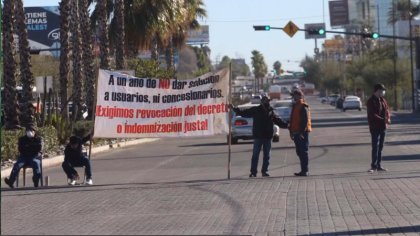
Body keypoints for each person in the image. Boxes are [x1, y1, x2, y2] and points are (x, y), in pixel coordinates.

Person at [230, 96, 288, 177]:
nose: (266, 102)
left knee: (267, 155)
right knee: (255, 155)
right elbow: (244, 112)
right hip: (258, 136)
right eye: (264, 100)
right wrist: (234, 108)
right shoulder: (256, 109)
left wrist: (287, 125)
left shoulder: (271, 111)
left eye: (267, 100)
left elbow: (278, 120)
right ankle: (253, 172)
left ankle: (265, 171)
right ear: (261, 101)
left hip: (267, 136)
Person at [366, 83, 390, 173]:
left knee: (381, 147)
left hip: (383, 127)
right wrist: (383, 119)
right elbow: (372, 114)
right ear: (376, 91)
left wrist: (388, 118)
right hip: (375, 126)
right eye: (381, 90)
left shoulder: (383, 100)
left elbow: (387, 110)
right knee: (375, 146)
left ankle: (379, 165)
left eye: (383, 91)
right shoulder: (370, 101)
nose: (383, 92)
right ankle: (373, 166)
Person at [289, 90, 312, 177]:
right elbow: (292, 120)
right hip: (295, 133)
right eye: (293, 96)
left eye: (295, 95)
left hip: (302, 133)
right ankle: (303, 170)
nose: (293, 97)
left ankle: (305, 171)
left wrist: (302, 132)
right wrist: (291, 131)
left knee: (303, 151)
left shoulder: (303, 106)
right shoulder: (295, 106)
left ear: (299, 96)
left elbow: (305, 121)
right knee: (299, 152)